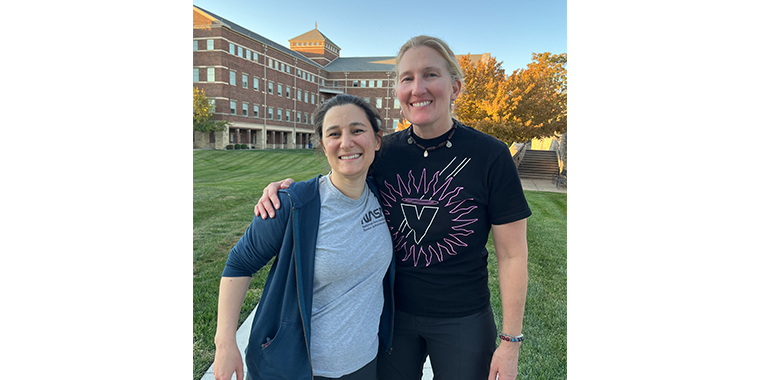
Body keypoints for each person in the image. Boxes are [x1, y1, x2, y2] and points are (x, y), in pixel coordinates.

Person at [255, 35, 531, 380]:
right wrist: (285, 192)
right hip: (390, 316)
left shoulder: (490, 155)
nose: (418, 88)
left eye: (431, 74)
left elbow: (513, 255)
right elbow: (338, 178)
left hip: (463, 317)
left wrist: (510, 342)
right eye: (407, 78)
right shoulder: (384, 153)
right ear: (397, 91)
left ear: (455, 86)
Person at [214, 94, 395, 380]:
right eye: (334, 134)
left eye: (357, 130)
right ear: (323, 146)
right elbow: (239, 264)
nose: (346, 143)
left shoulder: (384, 196)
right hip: (297, 369)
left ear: (376, 140)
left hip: (363, 365)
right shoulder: (291, 203)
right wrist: (225, 345)